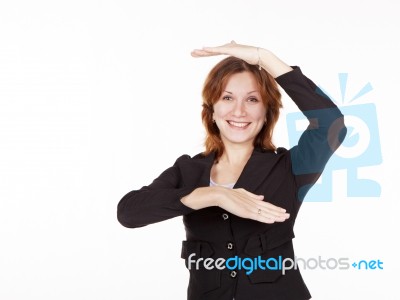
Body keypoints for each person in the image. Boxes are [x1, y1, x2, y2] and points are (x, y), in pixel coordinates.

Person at [117, 41, 347, 300]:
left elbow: (332, 124)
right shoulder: (188, 169)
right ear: (212, 110)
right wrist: (215, 196)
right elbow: (129, 212)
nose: (239, 111)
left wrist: (265, 58)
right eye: (227, 98)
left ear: (267, 111)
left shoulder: (290, 168)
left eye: (252, 99)